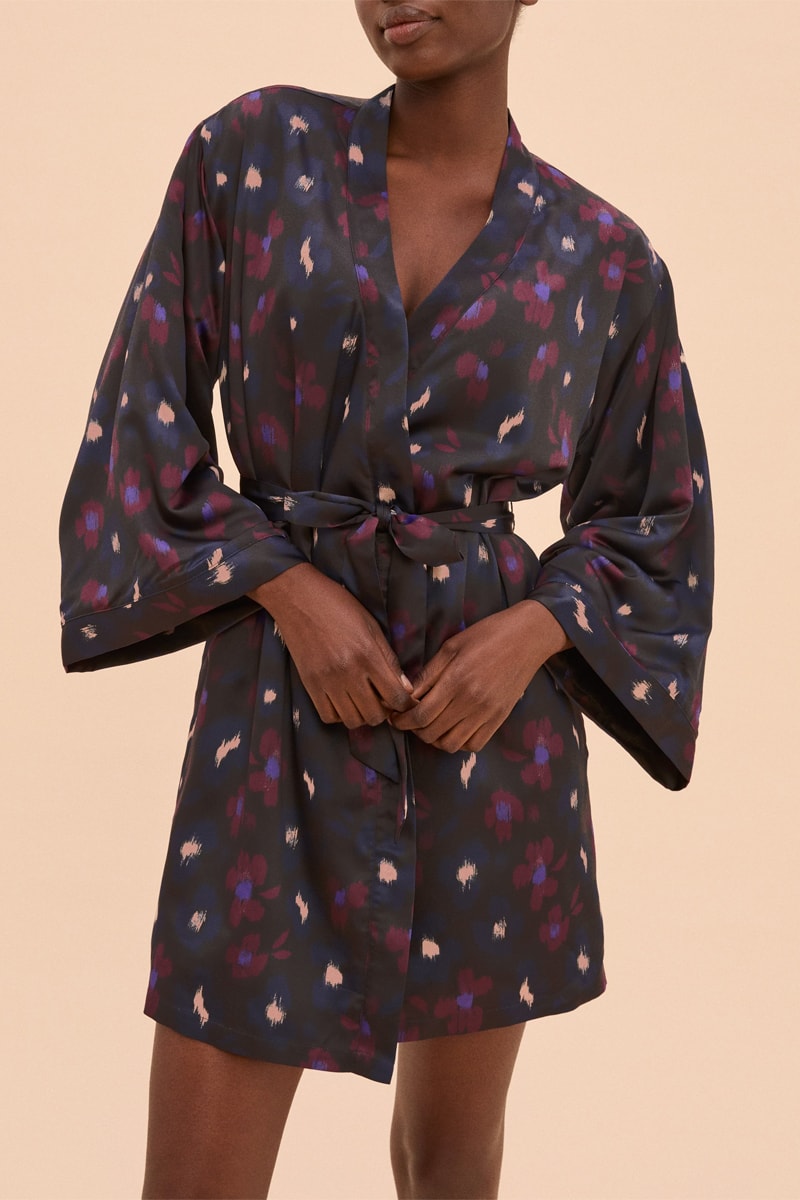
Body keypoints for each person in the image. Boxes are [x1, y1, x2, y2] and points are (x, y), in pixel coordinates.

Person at [58, 1, 714, 1196]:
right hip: (274, 721)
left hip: (486, 739)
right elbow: (140, 422)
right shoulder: (253, 155)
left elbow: (653, 514)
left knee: (445, 1169)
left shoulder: (600, 254)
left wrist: (534, 629)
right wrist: (286, 587)